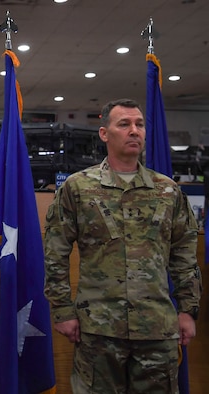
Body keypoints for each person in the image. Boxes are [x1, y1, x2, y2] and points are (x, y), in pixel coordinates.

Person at [43, 98, 202, 393]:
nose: (134, 131)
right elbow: (55, 253)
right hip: (98, 330)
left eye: (139, 124)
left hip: (156, 328)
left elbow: (184, 255)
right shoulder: (78, 188)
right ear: (104, 133)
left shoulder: (167, 190)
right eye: (124, 124)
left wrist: (188, 310)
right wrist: (62, 310)